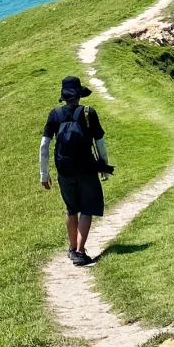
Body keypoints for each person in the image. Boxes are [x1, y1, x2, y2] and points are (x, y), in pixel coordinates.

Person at [40, 76, 112, 266]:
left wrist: (43, 174)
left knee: (71, 209)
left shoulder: (55, 114)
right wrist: (104, 166)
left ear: (64, 97)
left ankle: (72, 249)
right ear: (79, 95)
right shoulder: (88, 113)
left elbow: (44, 145)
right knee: (87, 210)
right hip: (87, 167)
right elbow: (100, 143)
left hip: (64, 169)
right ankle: (80, 252)